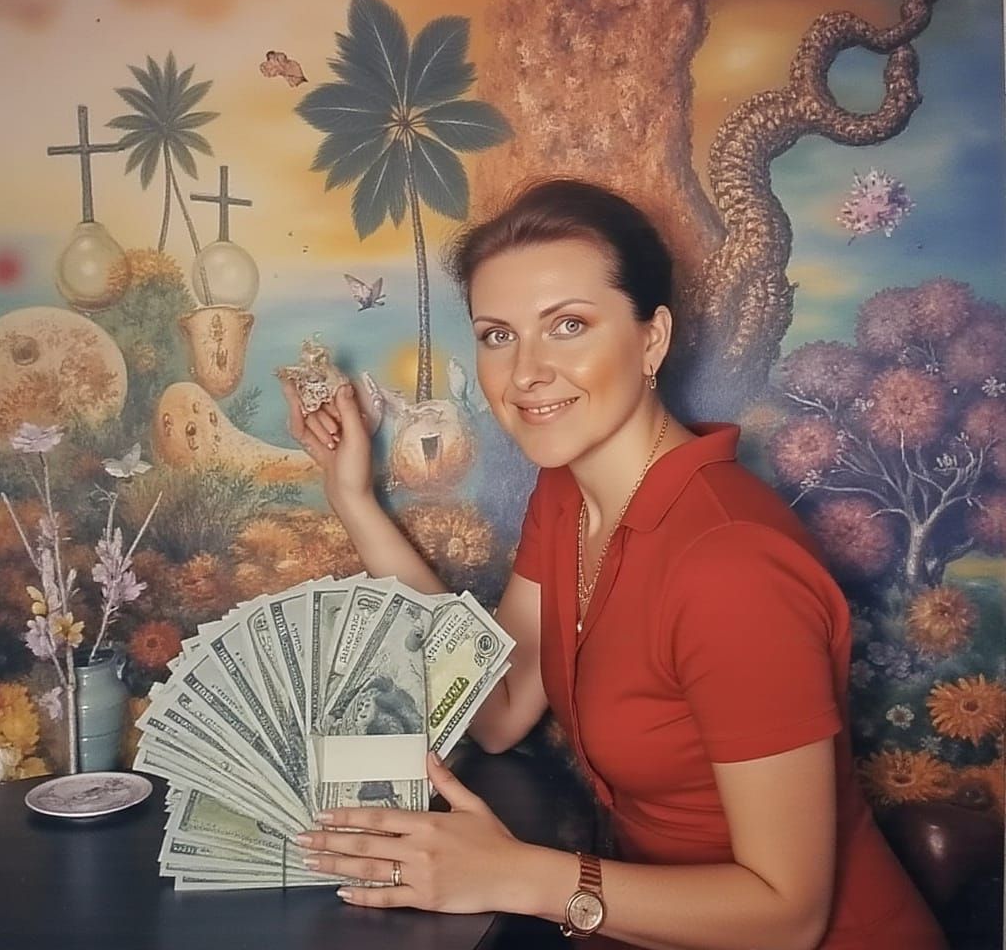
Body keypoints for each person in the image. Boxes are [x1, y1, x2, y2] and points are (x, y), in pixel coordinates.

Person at [280, 179, 947, 950]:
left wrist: (515, 877)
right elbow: (498, 712)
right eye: (498, 334)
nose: (524, 371)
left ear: (652, 339)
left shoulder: (731, 569)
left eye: (568, 325)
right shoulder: (564, 496)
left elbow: (787, 915)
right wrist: (354, 498)